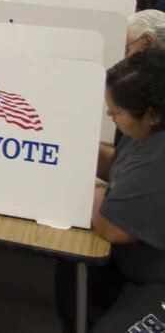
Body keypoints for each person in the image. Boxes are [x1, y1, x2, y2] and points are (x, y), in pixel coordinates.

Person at [57, 49, 165, 333]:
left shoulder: (159, 157)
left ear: (151, 115)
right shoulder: (145, 132)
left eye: (116, 111)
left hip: (156, 279)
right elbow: (118, 164)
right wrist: (71, 151)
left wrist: (79, 186)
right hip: (132, 265)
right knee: (72, 265)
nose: (109, 114)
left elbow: (112, 225)